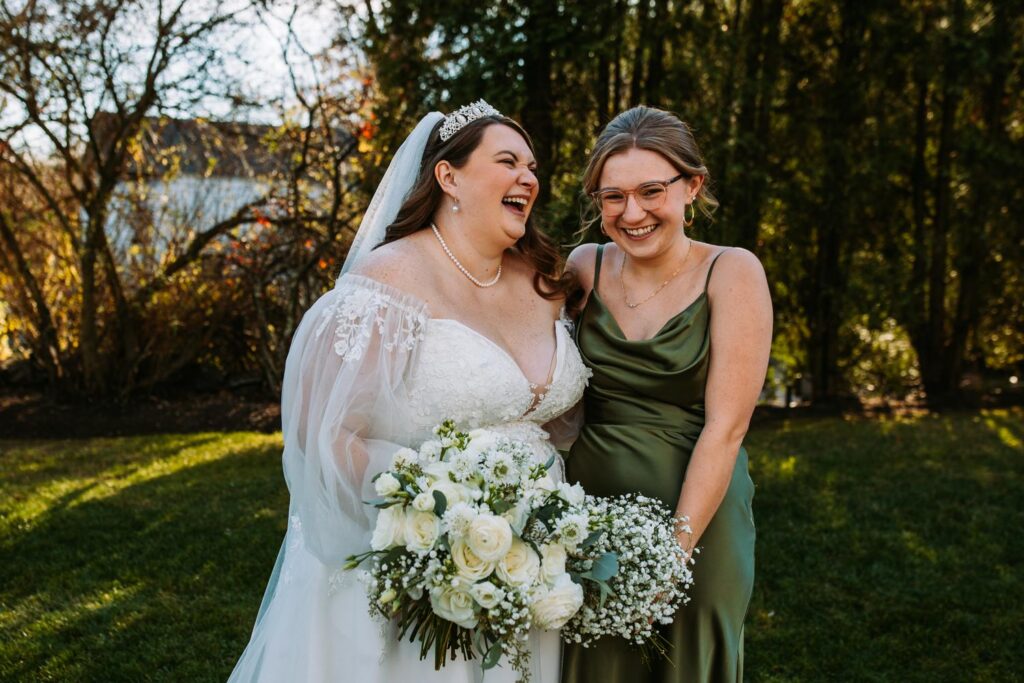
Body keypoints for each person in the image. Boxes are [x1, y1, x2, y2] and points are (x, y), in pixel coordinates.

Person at [228, 101, 591, 683]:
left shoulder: (546, 280)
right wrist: (435, 531)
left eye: (532, 166)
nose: (529, 177)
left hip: (532, 569)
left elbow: (558, 424)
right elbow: (322, 430)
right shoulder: (387, 281)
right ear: (449, 177)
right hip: (416, 574)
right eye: (508, 161)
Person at [560, 106, 772, 683]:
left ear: (692, 187)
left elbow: (726, 428)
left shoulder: (732, 272)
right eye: (612, 197)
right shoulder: (583, 267)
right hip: (590, 507)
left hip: (699, 516)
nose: (632, 214)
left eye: (651, 191)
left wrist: (673, 556)